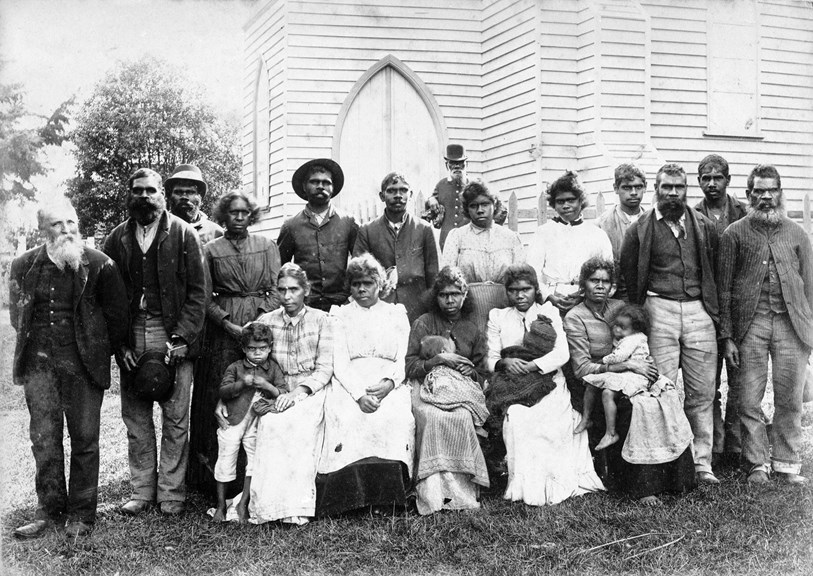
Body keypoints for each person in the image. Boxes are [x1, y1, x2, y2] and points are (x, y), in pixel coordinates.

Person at [9, 200, 128, 538]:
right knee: (44, 440)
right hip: (40, 368)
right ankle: (48, 510)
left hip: (83, 367)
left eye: (71, 222)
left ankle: (81, 515)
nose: (66, 230)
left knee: (85, 439)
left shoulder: (101, 265)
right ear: (41, 231)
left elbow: (117, 320)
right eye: (57, 225)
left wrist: (93, 349)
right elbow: (18, 318)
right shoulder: (22, 265)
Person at [103, 167, 208, 515]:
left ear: (162, 194)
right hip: (132, 332)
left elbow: (198, 292)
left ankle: (171, 494)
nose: (145, 197)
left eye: (151, 191)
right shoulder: (117, 238)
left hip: (172, 332)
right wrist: (120, 345)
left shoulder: (182, 234)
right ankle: (141, 491)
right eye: (138, 191)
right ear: (129, 196)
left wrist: (182, 337)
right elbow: (107, 296)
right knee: (135, 417)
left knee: (176, 417)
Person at [564, 257, 696, 505]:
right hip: (595, 383)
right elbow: (581, 369)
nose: (600, 286)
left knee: (666, 397)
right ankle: (644, 485)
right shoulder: (575, 317)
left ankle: (677, 478)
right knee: (639, 408)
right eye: (594, 281)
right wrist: (624, 365)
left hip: (629, 376)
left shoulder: (619, 307)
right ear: (584, 285)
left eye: (605, 281)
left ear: (612, 285)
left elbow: (638, 342)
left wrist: (645, 365)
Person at [620, 162, 720, 484]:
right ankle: (663, 462)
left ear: (686, 190)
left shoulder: (702, 225)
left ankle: (701, 463)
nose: (673, 194)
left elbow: (714, 270)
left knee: (702, 391)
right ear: (656, 189)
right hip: (658, 308)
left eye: (679, 187)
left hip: (697, 310)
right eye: (667, 187)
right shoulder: (639, 229)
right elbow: (628, 275)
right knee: (658, 388)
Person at [717, 164, 813, 485]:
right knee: (748, 399)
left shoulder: (798, 233)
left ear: (780, 193)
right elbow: (724, 290)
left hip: (791, 327)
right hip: (751, 325)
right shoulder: (734, 234)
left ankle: (787, 463)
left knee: (789, 398)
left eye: (772, 190)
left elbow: (810, 287)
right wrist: (728, 337)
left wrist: (808, 333)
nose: (766, 197)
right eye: (759, 191)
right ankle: (757, 463)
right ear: (748, 194)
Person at [486, 263, 604, 506]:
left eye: (526, 289)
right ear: (506, 292)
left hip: (548, 379)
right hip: (512, 382)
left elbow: (562, 354)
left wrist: (532, 366)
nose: (520, 295)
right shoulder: (498, 316)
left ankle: (557, 481)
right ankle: (525, 485)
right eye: (513, 290)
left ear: (535, 289)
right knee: (518, 417)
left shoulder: (549, 313)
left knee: (555, 420)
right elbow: (489, 357)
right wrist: (504, 362)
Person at [188, 191, 281, 496]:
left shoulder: (266, 246)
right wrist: (227, 322)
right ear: (223, 217)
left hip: (260, 326)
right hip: (224, 331)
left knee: (260, 388)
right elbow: (204, 296)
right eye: (232, 213)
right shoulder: (211, 250)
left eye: (244, 213)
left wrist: (261, 322)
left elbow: (275, 288)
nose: (239, 218)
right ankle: (217, 481)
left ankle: (255, 479)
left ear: (250, 216)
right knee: (226, 391)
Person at [316, 254, 415, 516]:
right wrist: (359, 395)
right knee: (348, 415)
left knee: (393, 416)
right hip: (351, 382)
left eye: (368, 283)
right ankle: (350, 500)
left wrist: (390, 383)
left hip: (389, 381)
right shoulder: (339, 315)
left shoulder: (396, 313)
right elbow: (340, 362)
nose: (362, 289)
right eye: (356, 283)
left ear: (379, 285)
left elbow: (404, 356)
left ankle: (389, 498)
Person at [242, 263, 334, 525]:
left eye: (294, 290)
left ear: (306, 290)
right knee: (271, 424)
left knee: (298, 425)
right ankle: (270, 507)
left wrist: (299, 393)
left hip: (311, 391)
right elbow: (253, 361)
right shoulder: (266, 322)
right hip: (276, 390)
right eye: (282, 290)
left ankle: (296, 507)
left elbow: (325, 368)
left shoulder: (322, 320)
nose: (287, 297)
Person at [405, 266, 490, 514]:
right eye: (443, 294)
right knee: (432, 417)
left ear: (465, 296)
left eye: (455, 294)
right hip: (426, 386)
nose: (450, 300)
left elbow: (482, 371)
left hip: (459, 388)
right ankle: (433, 495)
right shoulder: (423, 323)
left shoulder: (472, 329)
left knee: (463, 416)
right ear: (436, 296)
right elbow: (410, 365)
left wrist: (470, 372)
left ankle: (461, 494)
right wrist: (439, 361)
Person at [694, 154, 748, 470]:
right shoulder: (692, 215)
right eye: (705, 177)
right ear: (699, 181)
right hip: (705, 310)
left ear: (727, 180)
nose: (712, 183)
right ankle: (713, 447)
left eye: (717, 177)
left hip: (739, 309)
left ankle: (736, 446)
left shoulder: (742, 212)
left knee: (740, 381)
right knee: (707, 382)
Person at [213, 322, 285, 523]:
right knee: (226, 457)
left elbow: (284, 392)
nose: (257, 354)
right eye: (252, 349)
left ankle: (243, 503)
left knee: (254, 461)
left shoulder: (272, 368)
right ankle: (220, 504)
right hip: (233, 420)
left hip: (258, 422)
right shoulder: (236, 367)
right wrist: (241, 383)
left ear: (270, 347)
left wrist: (267, 386)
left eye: (262, 349)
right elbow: (223, 391)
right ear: (244, 349)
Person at [579, 304, 672, 451]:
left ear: (636, 329)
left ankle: (610, 433)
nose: (616, 330)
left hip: (636, 375)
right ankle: (586, 419)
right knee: (592, 384)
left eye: (622, 327)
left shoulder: (634, 339)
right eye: (616, 325)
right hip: (625, 373)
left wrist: (603, 360)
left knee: (607, 393)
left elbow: (619, 356)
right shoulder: (627, 337)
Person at [353, 171, 439, 325]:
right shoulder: (367, 230)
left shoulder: (424, 229)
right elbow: (358, 274)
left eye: (403, 190)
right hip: (380, 309)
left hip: (417, 309)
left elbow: (433, 274)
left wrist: (432, 311)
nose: (398, 195)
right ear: (382, 196)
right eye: (391, 191)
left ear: (410, 194)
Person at [441, 179, 525, 331]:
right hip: (468, 307)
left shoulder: (511, 238)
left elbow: (521, 278)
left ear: (495, 205)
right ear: (467, 209)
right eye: (473, 206)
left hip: (504, 307)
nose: (480, 210)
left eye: (485, 204)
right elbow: (447, 277)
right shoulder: (457, 236)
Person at [527, 170, 613, 316]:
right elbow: (532, 272)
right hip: (551, 300)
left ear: (581, 201)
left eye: (571, 200)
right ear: (553, 204)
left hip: (586, 301)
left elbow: (608, 271)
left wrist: (583, 296)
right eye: (560, 201)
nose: (566, 205)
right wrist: (549, 296)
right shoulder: (543, 233)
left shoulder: (597, 234)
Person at [277, 158, 359, 311]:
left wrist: (351, 298)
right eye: (314, 182)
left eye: (326, 182)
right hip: (306, 305)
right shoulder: (291, 226)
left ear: (333, 187)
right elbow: (280, 269)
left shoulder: (349, 222)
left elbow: (360, 264)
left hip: (342, 304)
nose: (321, 186)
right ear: (304, 186)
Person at [597, 163, 647, 301]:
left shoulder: (652, 221)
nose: (633, 192)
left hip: (648, 295)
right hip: (615, 296)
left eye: (638, 187)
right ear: (616, 188)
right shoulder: (602, 224)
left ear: (645, 187)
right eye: (626, 187)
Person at [165, 164, 223, 244]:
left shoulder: (216, 233)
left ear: (200, 197)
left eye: (190, 192)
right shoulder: (159, 229)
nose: (184, 197)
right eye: (178, 192)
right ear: (170, 197)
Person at [428, 143, 471, 250]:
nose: (456, 167)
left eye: (460, 163)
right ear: (447, 165)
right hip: (446, 241)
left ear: (467, 165)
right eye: (453, 163)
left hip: (469, 239)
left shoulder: (473, 185)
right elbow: (427, 207)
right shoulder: (441, 185)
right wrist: (431, 199)